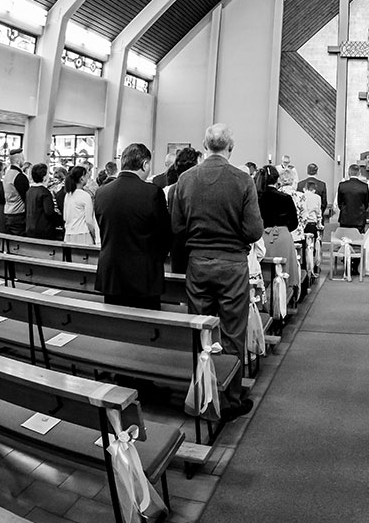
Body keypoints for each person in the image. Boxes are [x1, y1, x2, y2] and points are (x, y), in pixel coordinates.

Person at [170, 124, 263, 421]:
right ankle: (231, 399)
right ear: (230, 147)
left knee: (202, 329)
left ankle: (203, 393)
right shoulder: (242, 179)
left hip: (198, 263)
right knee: (233, 330)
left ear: (204, 145)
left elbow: (177, 228)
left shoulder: (185, 179)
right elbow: (253, 230)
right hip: (233, 264)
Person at [94, 144, 172, 309]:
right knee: (147, 329)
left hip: (112, 271)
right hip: (143, 274)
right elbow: (165, 234)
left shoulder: (102, 192)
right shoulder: (152, 193)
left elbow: (104, 228)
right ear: (145, 164)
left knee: (117, 326)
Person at [257, 165, 301, 304]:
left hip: (263, 236)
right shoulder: (286, 198)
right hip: (282, 236)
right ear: (277, 180)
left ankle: (265, 303)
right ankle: (283, 304)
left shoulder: (257, 198)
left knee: (265, 271)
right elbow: (294, 223)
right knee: (284, 273)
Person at [62, 166, 100, 245]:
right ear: (82, 178)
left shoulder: (68, 195)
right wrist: (95, 236)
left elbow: (65, 217)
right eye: (86, 176)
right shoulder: (85, 196)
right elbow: (89, 221)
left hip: (69, 234)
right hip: (83, 234)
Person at [25, 164, 61, 240]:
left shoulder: (29, 191)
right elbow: (49, 212)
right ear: (44, 177)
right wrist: (59, 220)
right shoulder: (44, 192)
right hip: (43, 230)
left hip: (30, 228)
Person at [336, 164, 369, 233]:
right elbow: (366, 203)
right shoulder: (364, 186)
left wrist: (344, 209)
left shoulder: (342, 185)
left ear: (349, 172)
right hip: (359, 219)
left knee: (344, 239)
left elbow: (339, 202)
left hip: (345, 218)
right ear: (359, 173)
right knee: (358, 240)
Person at [3, 148, 29, 236]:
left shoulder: (7, 175)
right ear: (18, 161)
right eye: (23, 159)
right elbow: (26, 197)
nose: (24, 161)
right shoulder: (19, 176)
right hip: (18, 215)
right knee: (19, 244)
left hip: (8, 213)